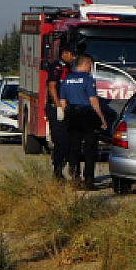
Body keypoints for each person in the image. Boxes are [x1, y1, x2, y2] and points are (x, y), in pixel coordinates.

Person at [58, 55, 107, 189]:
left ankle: (75, 177)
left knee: (74, 147)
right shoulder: (88, 79)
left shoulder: (66, 80)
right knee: (90, 148)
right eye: (90, 65)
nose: (90, 68)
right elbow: (93, 100)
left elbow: (63, 103)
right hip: (86, 115)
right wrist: (101, 118)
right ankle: (89, 180)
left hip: (72, 114)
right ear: (86, 64)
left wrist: (63, 118)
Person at [46, 37, 80, 180]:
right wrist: (58, 106)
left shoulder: (68, 68)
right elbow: (52, 87)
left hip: (67, 107)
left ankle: (67, 169)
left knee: (68, 141)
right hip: (56, 108)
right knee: (60, 140)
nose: (73, 57)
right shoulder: (56, 67)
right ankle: (57, 171)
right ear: (64, 52)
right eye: (72, 54)